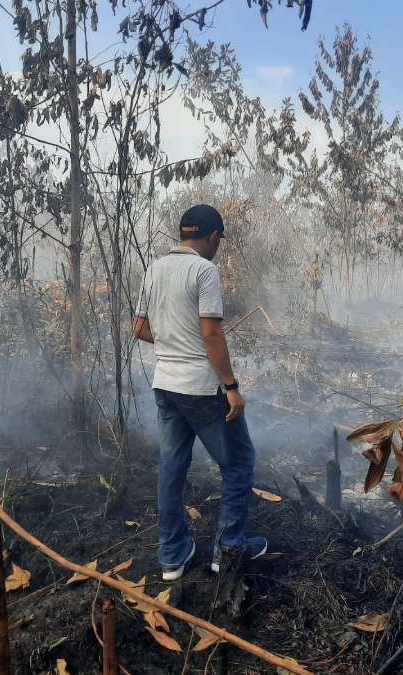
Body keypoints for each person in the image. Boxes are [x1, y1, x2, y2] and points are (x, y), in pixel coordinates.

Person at [134, 204, 267, 581]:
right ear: (211, 237)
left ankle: (172, 556)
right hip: (201, 389)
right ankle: (229, 550)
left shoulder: (154, 268)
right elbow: (211, 334)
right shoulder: (204, 270)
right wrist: (232, 387)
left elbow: (139, 327)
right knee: (239, 463)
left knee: (172, 467)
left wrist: (172, 342)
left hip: (165, 385)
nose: (218, 247)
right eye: (218, 240)